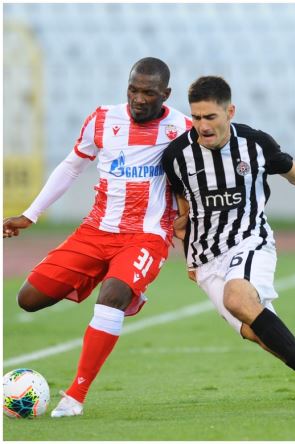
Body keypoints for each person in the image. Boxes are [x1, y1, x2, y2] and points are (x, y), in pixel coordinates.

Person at [3, 57, 192, 417]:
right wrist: (30, 213)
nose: (138, 98)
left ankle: (75, 397)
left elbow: (193, 182)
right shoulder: (103, 119)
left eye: (148, 93)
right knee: (29, 298)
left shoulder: (182, 129)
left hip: (147, 235)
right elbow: (72, 166)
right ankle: (118, 280)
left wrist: (191, 233)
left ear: (165, 94)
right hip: (96, 230)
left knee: (112, 297)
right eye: (133, 89)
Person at [162, 76, 295, 381]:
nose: (202, 126)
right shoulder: (176, 156)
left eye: (210, 117)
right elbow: (184, 204)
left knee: (238, 299)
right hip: (205, 260)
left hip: (250, 240)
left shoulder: (256, 144)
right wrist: (189, 255)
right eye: (196, 117)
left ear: (230, 112)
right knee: (258, 333)